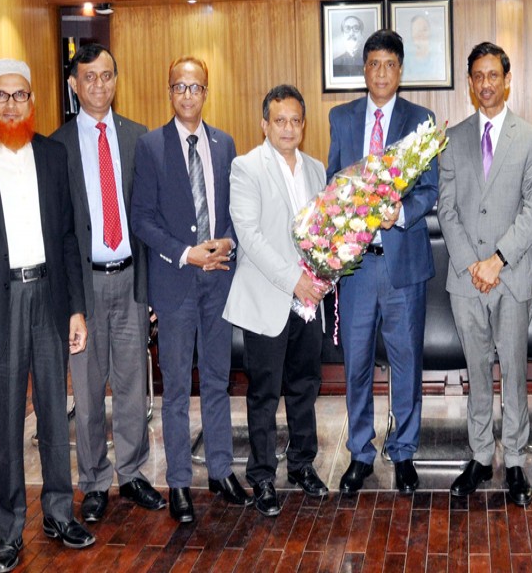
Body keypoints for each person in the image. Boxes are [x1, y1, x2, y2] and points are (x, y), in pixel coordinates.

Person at [0, 58, 95, 573]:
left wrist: (76, 308)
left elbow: (71, 238)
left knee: (55, 416)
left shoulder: (53, 157)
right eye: (2, 96)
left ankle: (58, 512)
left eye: (21, 95)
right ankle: (8, 531)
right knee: (6, 427)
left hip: (49, 298)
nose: (12, 104)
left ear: (33, 102)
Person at [130, 56, 251, 524]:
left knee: (218, 382)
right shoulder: (150, 147)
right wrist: (186, 252)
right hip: (176, 282)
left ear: (206, 92)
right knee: (177, 388)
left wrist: (227, 241)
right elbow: (142, 218)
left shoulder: (224, 145)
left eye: (195, 87)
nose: (187, 94)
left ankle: (221, 471)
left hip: (218, 281)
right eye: (178, 86)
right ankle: (179, 481)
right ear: (169, 92)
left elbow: (236, 211)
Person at [51, 43, 165, 523]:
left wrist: (155, 288)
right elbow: (56, 229)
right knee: (89, 386)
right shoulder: (55, 147)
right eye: (89, 77)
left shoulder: (138, 138)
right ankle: (95, 480)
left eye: (107, 76)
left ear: (117, 80)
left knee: (133, 384)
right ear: (75, 85)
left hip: (132, 279)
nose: (99, 85)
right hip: (85, 287)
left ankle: (133, 473)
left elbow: (151, 218)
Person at [327, 29, 438, 495]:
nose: (380, 73)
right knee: (354, 365)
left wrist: (403, 212)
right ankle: (360, 454)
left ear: (400, 70)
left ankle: (405, 452)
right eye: (372, 64)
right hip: (356, 268)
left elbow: (431, 188)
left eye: (389, 65)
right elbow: (333, 180)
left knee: (406, 362)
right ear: (364, 69)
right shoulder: (343, 118)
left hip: (403, 267)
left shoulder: (421, 119)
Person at [437, 42, 532, 506]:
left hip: (512, 275)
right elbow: (447, 209)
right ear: (469, 83)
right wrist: (472, 263)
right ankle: (481, 457)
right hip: (466, 280)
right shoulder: (453, 137)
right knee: (476, 372)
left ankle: (516, 461)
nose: (485, 84)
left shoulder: (530, 136)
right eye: (477, 76)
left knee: (515, 373)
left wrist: (497, 260)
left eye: (493, 75)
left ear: (506, 80)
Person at [223, 85, 328, 517]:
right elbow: (250, 236)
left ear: (304, 125)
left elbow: (325, 231)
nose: (288, 128)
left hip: (309, 300)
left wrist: (322, 275)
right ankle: (263, 477)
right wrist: (294, 280)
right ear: (264, 124)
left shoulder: (318, 170)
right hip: (269, 297)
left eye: (295, 120)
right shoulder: (246, 167)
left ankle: (303, 465)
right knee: (264, 394)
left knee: (305, 387)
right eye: (279, 120)